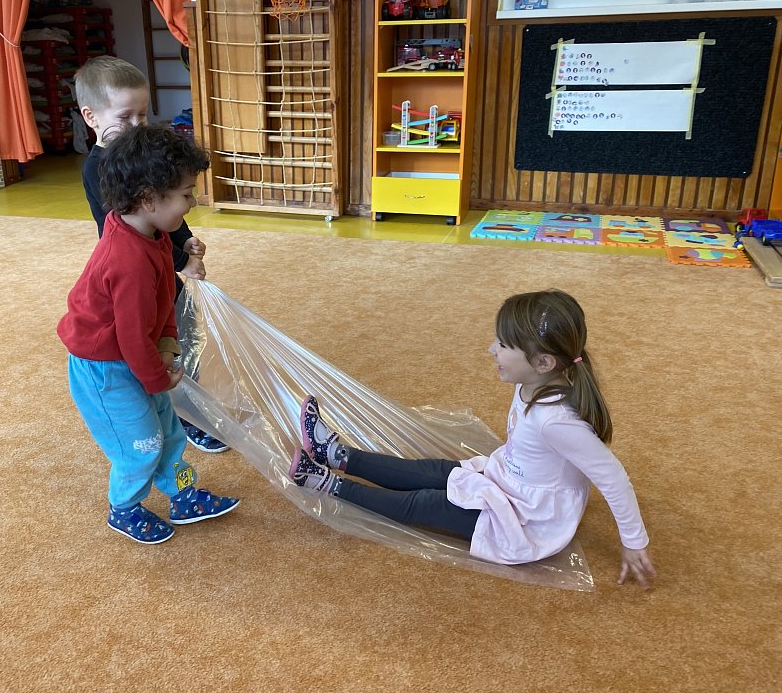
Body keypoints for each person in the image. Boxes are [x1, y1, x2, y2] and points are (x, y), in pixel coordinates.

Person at [288, 289, 657, 588]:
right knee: (431, 471)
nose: (491, 349)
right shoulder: (534, 383)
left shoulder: (556, 420)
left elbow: (613, 478)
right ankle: (335, 454)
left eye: (503, 345)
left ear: (544, 363)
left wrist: (634, 542)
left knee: (425, 502)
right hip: (506, 481)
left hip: (527, 518)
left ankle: (326, 482)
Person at [58, 124, 240, 544]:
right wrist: (157, 378)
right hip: (106, 367)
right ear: (148, 199)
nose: (192, 203)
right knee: (140, 443)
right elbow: (130, 337)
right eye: (186, 194)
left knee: (170, 433)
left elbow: (162, 301)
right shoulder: (128, 262)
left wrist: (169, 344)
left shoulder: (150, 231)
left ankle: (182, 494)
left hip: (139, 353)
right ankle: (123, 508)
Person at [75, 55, 228, 453]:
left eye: (142, 115)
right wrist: (182, 262)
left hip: (158, 263)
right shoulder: (103, 169)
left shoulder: (144, 159)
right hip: (140, 267)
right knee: (149, 339)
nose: (136, 126)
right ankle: (183, 413)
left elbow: (166, 214)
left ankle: (185, 406)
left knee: (180, 335)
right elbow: (141, 228)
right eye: (125, 117)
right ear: (91, 117)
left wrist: (185, 242)